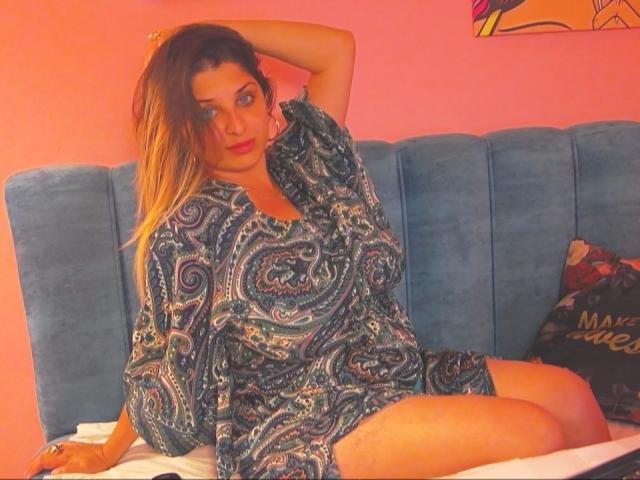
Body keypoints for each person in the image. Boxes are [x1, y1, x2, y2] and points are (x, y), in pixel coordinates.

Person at [25, 20, 611, 479]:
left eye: (244, 98)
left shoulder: (307, 163)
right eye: (207, 112)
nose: (234, 125)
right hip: (301, 417)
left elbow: (336, 50)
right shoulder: (190, 229)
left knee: (574, 397)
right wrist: (108, 451)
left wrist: (210, 31)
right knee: (534, 433)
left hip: (392, 368)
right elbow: (165, 363)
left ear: (266, 98)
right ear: (182, 126)